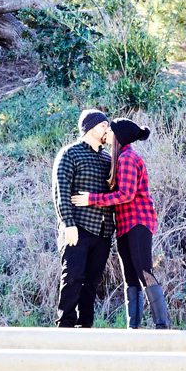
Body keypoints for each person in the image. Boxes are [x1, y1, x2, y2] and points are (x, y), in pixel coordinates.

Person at [74, 118, 170, 329]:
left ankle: (162, 325)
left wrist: (92, 199)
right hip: (125, 225)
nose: (107, 131)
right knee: (130, 276)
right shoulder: (119, 158)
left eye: (111, 129)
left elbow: (126, 195)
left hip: (138, 221)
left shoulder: (127, 158)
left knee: (144, 271)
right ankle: (133, 326)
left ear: (119, 136)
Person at [51, 108, 114, 328]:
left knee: (92, 283)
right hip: (77, 228)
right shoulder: (69, 153)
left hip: (103, 231)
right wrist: (68, 224)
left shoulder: (108, 158)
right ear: (90, 128)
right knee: (72, 278)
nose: (108, 129)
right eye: (104, 125)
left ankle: (85, 328)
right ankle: (65, 327)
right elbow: (61, 191)